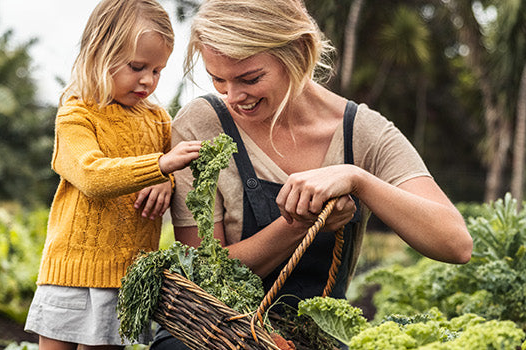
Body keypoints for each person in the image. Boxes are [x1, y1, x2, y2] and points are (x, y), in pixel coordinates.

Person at [152, 0, 474, 347]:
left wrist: (358, 179)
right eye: (218, 80)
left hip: (310, 338)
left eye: (250, 78)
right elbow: (202, 276)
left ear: (300, 52)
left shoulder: (362, 133)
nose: (233, 96)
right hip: (209, 334)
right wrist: (301, 222)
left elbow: (455, 244)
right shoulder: (201, 125)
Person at [25, 1, 199, 349]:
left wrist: (167, 181)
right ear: (100, 53)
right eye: (137, 67)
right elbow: (92, 176)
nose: (148, 80)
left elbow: (173, 174)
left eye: (158, 70)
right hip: (70, 275)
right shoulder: (76, 115)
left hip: (126, 278)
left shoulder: (158, 119)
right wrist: (160, 168)